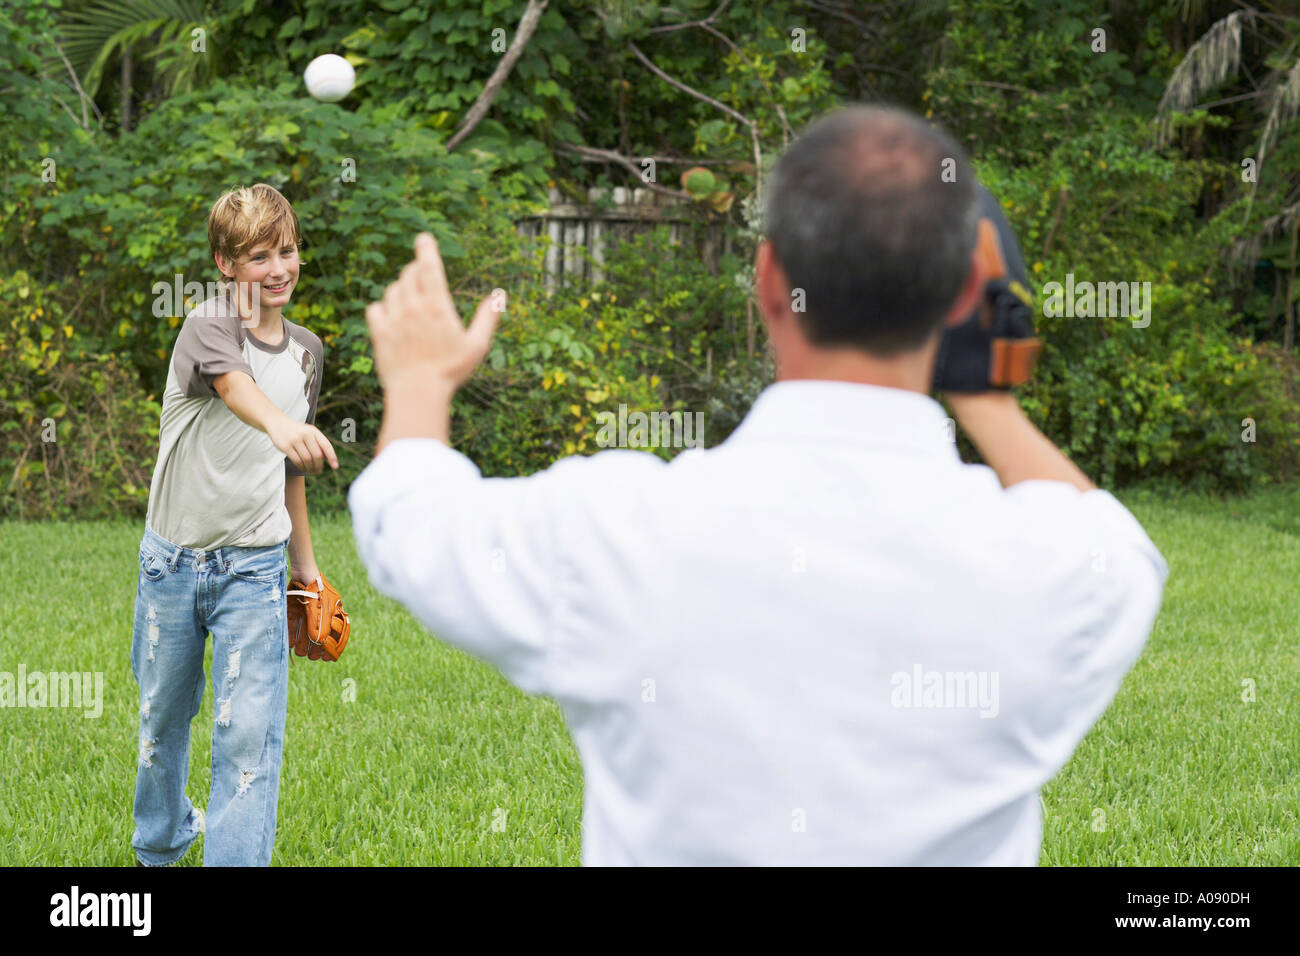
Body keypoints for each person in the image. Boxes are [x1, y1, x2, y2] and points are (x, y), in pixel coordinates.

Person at [348, 105, 1168, 865]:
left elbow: (410, 521)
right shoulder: (1052, 571)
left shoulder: (613, 530)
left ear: (770, 278)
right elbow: (1120, 549)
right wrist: (988, 393)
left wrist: (421, 383)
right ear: (959, 298)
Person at [130, 183, 338, 866]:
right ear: (226, 264)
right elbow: (234, 388)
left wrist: (306, 572)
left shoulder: (307, 352)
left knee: (249, 735)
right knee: (163, 721)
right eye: (257, 256)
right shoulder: (209, 325)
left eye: (287, 251)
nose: (277, 268)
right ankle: (162, 842)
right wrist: (283, 426)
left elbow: (290, 471)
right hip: (173, 564)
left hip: (254, 567)